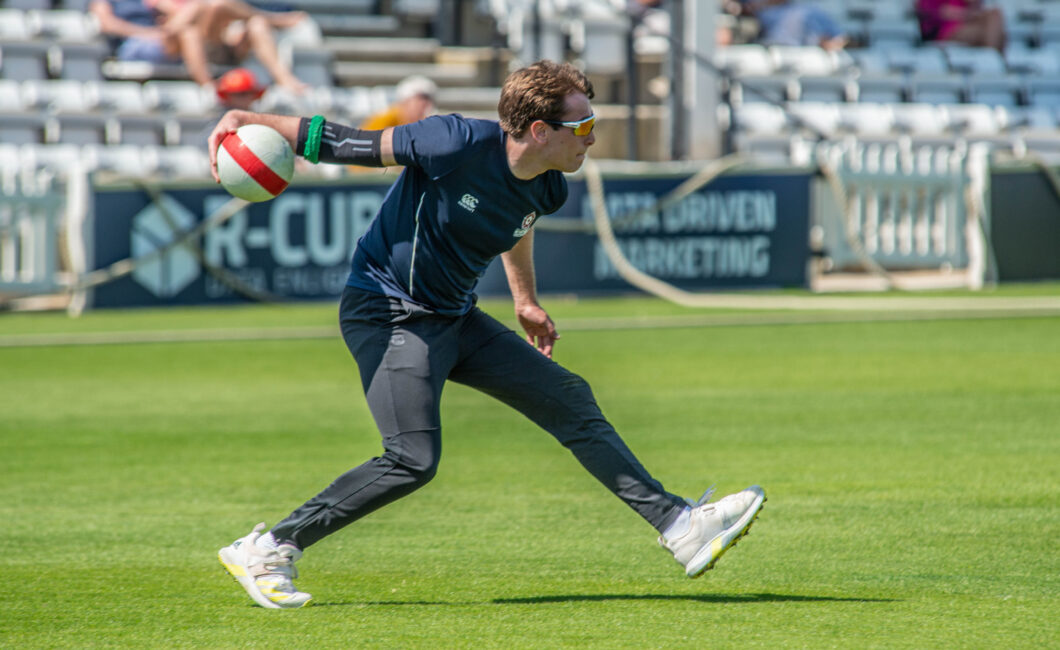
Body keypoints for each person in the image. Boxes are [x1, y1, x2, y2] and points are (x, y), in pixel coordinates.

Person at [208, 60, 766, 609]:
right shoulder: (451, 141)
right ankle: (267, 546)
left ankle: (677, 524)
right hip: (387, 311)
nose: (593, 139)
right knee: (411, 458)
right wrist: (245, 118)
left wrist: (524, 300)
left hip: (452, 314)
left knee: (568, 396)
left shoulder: (549, 187)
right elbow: (345, 143)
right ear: (540, 130)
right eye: (585, 127)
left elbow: (514, 228)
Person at [89, 0, 309, 94]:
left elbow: (173, 12)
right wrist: (149, 33)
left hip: (173, 36)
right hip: (136, 44)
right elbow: (107, 23)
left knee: (224, 11)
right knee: (192, 25)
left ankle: (283, 77)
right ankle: (208, 88)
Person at [732, 0, 848, 50]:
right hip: (766, 57)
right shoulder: (758, 14)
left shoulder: (808, 12)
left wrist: (829, 44)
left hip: (797, 62)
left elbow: (840, 39)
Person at [915, 0, 1006, 52]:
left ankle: (992, 58)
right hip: (948, 31)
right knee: (998, 35)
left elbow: (976, 8)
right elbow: (941, 12)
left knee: (995, 14)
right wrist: (966, 14)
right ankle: (993, 59)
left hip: (968, 24)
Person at [361, 75, 437, 130]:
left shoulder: (428, 124)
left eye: (428, 100)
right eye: (421, 99)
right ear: (405, 101)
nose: (426, 105)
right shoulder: (385, 120)